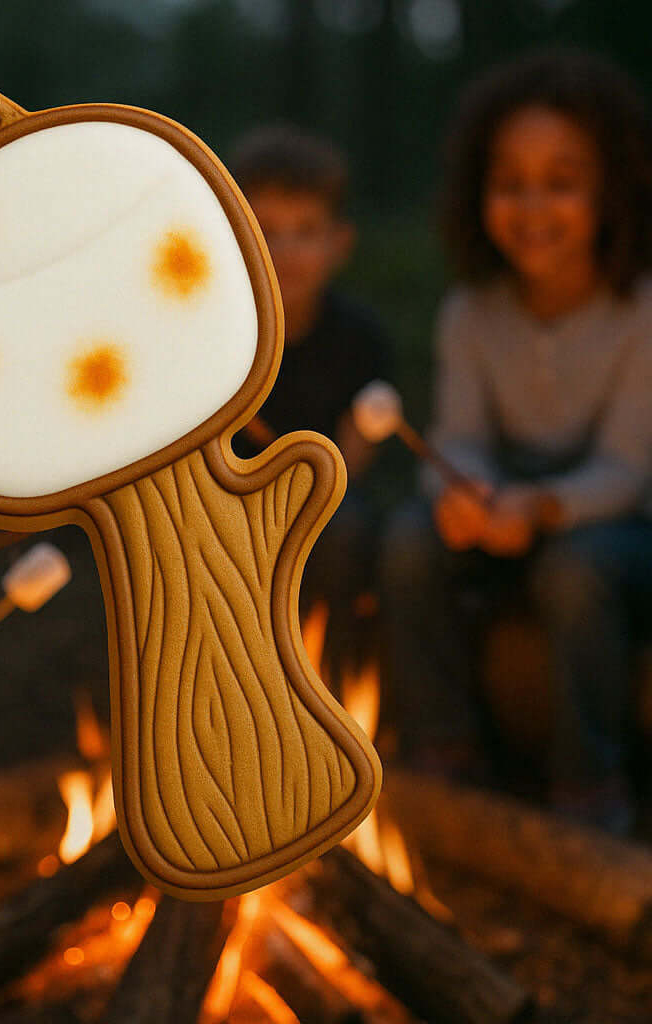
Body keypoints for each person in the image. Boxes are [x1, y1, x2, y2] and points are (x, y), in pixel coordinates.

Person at [380, 51, 652, 833]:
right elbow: (458, 440)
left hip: (612, 522)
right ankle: (444, 757)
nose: (532, 206)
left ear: (613, 191)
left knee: (577, 569)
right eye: (510, 182)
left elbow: (629, 468)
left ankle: (589, 792)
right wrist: (462, 493)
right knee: (408, 542)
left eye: (561, 181)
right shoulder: (472, 312)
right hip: (502, 501)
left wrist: (543, 507)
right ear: (478, 191)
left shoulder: (637, 313)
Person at [230, 124, 394, 683]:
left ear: (338, 243)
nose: (286, 252)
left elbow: (352, 465)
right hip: (232, 502)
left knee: (344, 533)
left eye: (306, 231)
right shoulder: (212, 337)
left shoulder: (360, 339)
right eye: (267, 231)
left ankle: (333, 692)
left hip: (328, 505)